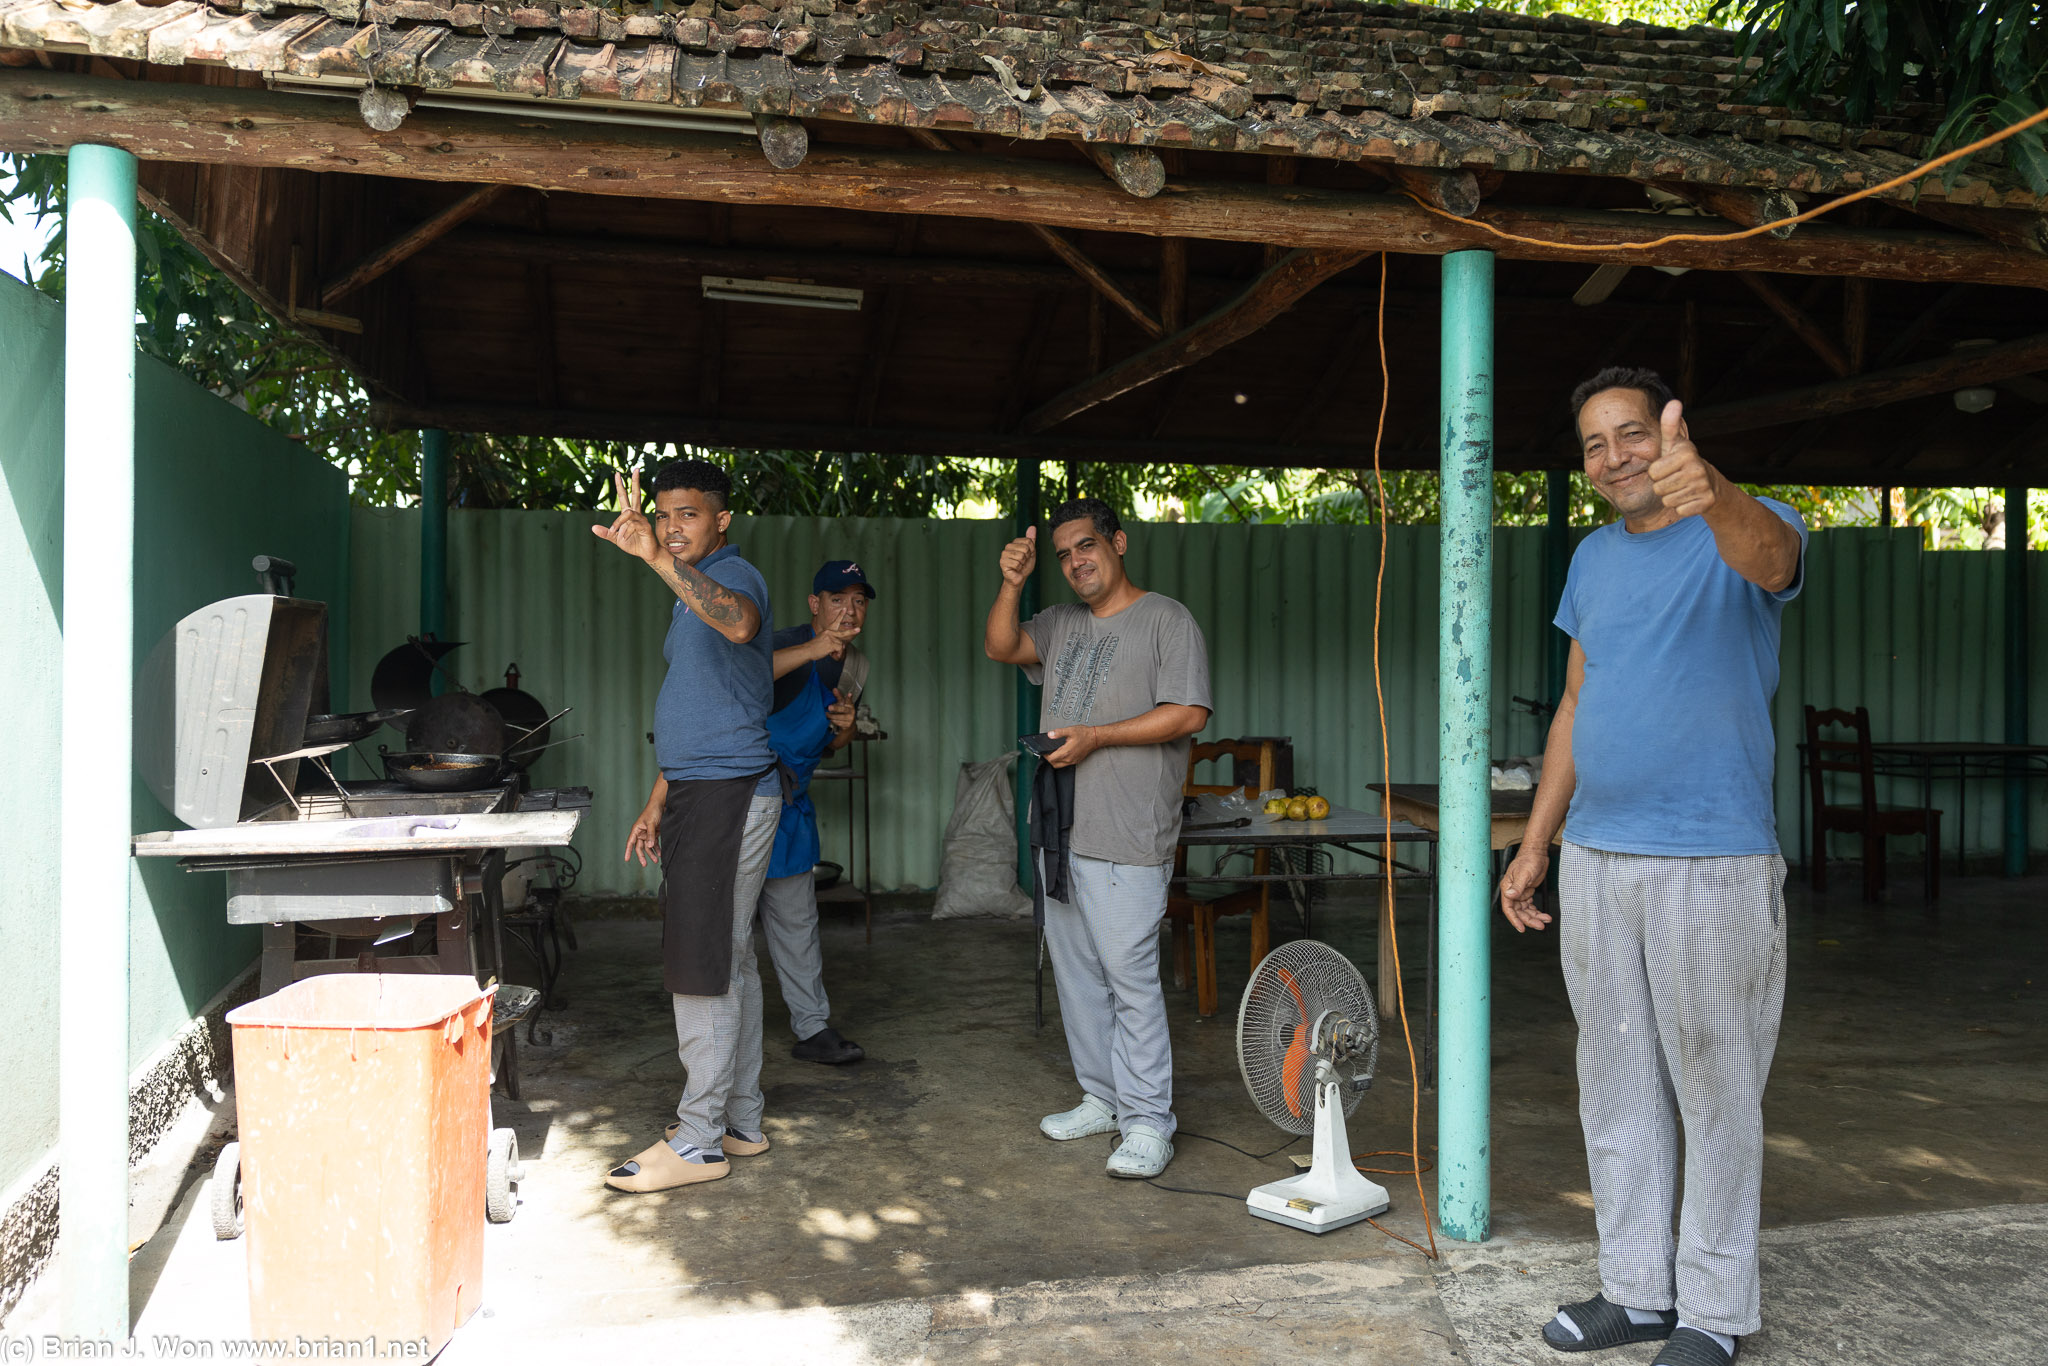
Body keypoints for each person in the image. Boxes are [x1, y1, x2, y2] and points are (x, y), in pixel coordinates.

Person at [1497, 367, 1806, 1366]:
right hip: (1595, 853)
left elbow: (1773, 561)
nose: (1613, 456)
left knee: (1715, 1086)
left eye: (1630, 433)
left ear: (1671, 434)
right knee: (1616, 1079)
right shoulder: (1589, 560)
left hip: (1711, 858)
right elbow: (1576, 706)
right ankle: (1635, 1291)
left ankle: (1713, 1310)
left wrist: (1707, 490)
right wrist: (1535, 841)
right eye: (1593, 443)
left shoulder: (1741, 522)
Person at [984, 497, 1211, 1180]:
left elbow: (1189, 711)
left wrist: (1099, 737)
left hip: (1128, 830)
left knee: (1130, 979)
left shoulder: (1166, 620)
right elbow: (1000, 645)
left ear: (1118, 542)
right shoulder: (1060, 625)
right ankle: (1104, 1098)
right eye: (1064, 554)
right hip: (1060, 827)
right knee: (1078, 975)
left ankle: (1148, 1122)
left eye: (1087, 546)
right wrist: (1012, 581)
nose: (1076, 562)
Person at [597, 459, 781, 1194]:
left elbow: (737, 622)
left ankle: (699, 1140)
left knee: (701, 964)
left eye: (689, 515)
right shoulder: (685, 593)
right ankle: (739, 1122)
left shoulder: (738, 577)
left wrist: (651, 558)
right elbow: (710, 702)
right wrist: (657, 797)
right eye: (664, 516)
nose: (673, 529)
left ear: (722, 520)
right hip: (702, 789)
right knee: (729, 958)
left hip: (729, 794)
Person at [759, 560, 872, 1064]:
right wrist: (811, 649)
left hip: (792, 809)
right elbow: (728, 689)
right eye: (836, 598)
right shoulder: (776, 645)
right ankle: (719, 1036)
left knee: (798, 924)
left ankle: (812, 1029)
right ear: (814, 604)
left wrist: (847, 727)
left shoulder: (854, 668)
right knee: (728, 930)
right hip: (742, 802)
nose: (848, 609)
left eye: (858, 599)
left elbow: (832, 744)